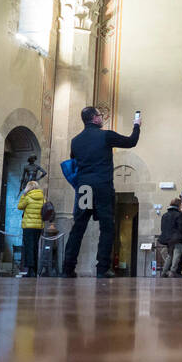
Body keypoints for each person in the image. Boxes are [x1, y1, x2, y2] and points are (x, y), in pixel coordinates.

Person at [62, 106, 141, 278]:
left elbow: (74, 160)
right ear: (94, 118)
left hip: (84, 188)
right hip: (102, 186)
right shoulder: (106, 135)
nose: (102, 117)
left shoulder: (75, 141)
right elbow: (131, 142)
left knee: (78, 227)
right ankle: (102, 268)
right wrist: (137, 125)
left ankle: (68, 267)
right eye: (100, 115)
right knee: (107, 227)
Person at [17, 180, 45, 276]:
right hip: (38, 227)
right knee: (35, 247)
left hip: (28, 226)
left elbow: (19, 206)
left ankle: (30, 271)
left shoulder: (27, 197)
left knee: (28, 247)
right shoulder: (42, 198)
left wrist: (23, 195)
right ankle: (35, 269)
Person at [159, 197, 182, 277]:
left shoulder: (165, 215)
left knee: (170, 256)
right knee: (177, 256)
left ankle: (164, 272)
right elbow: (181, 227)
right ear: (179, 205)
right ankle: (172, 272)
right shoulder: (178, 215)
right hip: (177, 239)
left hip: (168, 239)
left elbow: (162, 228)